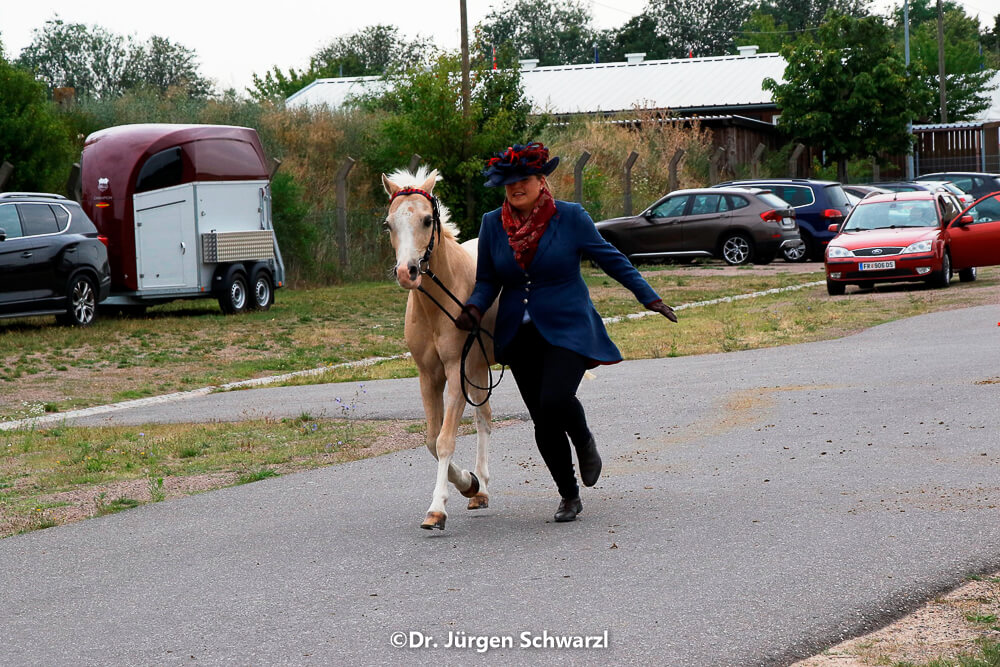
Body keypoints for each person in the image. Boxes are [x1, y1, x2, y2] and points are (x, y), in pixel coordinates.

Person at [454, 142, 678, 523]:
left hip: (568, 326)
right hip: (518, 334)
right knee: (542, 420)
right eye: (509, 182)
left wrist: (649, 297)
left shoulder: (570, 217)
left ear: (542, 181)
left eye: (524, 179)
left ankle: (584, 439)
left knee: (555, 400)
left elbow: (610, 258)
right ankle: (569, 494)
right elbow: (488, 279)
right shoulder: (493, 224)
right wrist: (474, 307)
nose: (516, 187)